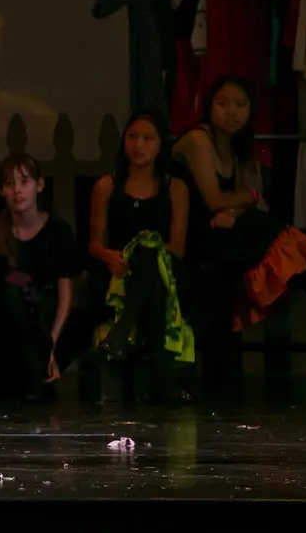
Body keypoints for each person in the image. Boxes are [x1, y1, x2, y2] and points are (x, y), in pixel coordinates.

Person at [171, 75, 306, 335]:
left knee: (257, 229)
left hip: (221, 229)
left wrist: (232, 210)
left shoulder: (238, 147)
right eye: (223, 103)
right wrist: (244, 200)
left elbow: (236, 203)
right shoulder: (198, 139)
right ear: (209, 105)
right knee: (263, 228)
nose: (231, 112)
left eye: (240, 105)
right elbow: (214, 199)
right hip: (189, 232)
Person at [87, 110, 194, 401]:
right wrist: (110, 256)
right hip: (119, 270)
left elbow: (178, 248)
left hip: (165, 270)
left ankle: (119, 336)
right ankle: (163, 374)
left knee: (148, 255)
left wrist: (144, 250)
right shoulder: (107, 187)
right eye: (133, 136)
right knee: (146, 276)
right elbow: (95, 244)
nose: (139, 145)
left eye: (148, 138)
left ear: (161, 144)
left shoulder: (175, 188)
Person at [0, 153, 78, 402]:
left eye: (24, 182)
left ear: (39, 185)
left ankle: (36, 373)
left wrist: (51, 345)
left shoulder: (57, 231)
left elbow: (65, 296)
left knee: (16, 288)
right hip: (2, 327)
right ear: (2, 191)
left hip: (38, 326)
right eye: (10, 184)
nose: (17, 191)